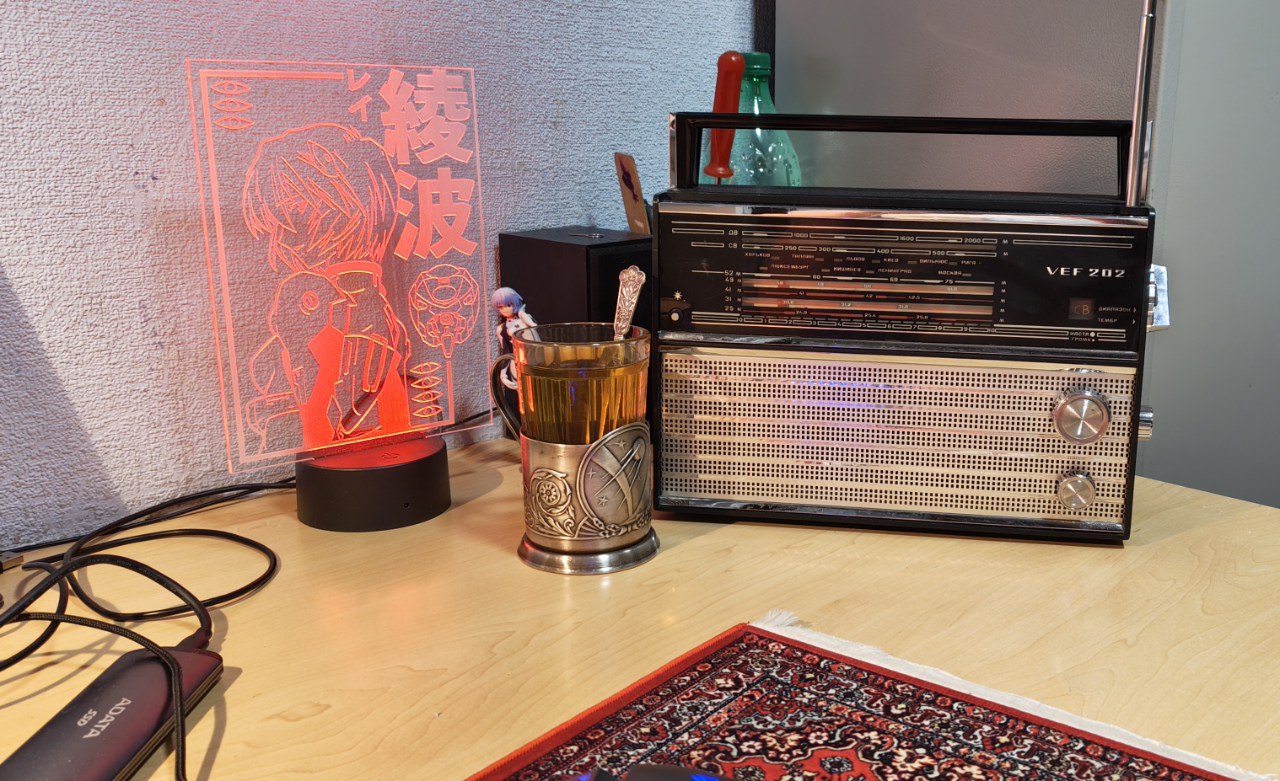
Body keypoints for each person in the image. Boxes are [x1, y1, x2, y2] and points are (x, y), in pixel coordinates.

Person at [491, 287, 536, 390]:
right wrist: (503, 375)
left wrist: (521, 314)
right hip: (517, 363)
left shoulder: (525, 318)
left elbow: (535, 327)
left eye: (509, 305)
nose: (505, 309)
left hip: (534, 359)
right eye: (501, 307)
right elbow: (506, 351)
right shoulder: (501, 329)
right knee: (522, 393)